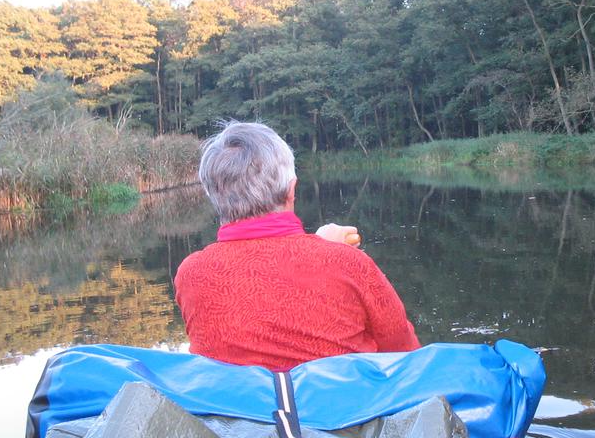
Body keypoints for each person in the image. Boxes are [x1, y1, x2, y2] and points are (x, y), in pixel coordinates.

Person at [174, 121, 420, 370]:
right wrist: (330, 252)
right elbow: (405, 356)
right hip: (342, 408)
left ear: (212, 196)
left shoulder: (191, 273)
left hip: (242, 408)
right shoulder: (349, 263)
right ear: (292, 190)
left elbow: (263, 276)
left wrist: (321, 247)